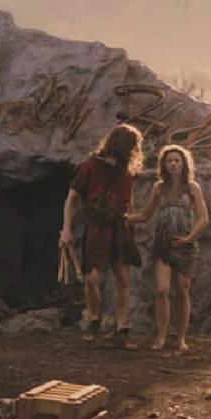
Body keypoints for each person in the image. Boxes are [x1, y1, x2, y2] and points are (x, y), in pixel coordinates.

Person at [60, 124, 144, 350]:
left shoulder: (127, 172)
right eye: (131, 146)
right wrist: (66, 229)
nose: (134, 151)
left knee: (123, 279)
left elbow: (129, 201)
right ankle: (93, 317)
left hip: (120, 228)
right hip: (97, 228)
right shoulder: (89, 167)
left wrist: (132, 221)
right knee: (92, 279)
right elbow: (71, 199)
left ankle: (122, 330)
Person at [126, 144, 209, 351]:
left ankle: (181, 338)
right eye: (169, 160)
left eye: (177, 160)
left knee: (182, 290)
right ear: (164, 164)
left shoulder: (192, 187)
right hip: (163, 243)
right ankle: (161, 336)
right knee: (161, 289)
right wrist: (124, 218)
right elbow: (145, 215)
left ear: (183, 164)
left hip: (185, 244)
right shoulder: (159, 188)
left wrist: (189, 239)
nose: (173, 164)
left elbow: (204, 218)